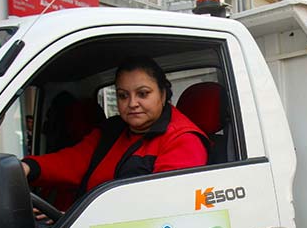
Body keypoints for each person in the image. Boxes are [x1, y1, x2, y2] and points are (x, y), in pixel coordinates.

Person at [21, 56, 208, 205]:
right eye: (123, 95)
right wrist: (28, 167)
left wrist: (74, 220)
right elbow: (74, 161)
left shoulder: (183, 140)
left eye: (143, 94)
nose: (132, 103)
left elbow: (160, 206)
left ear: (163, 93)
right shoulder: (113, 129)